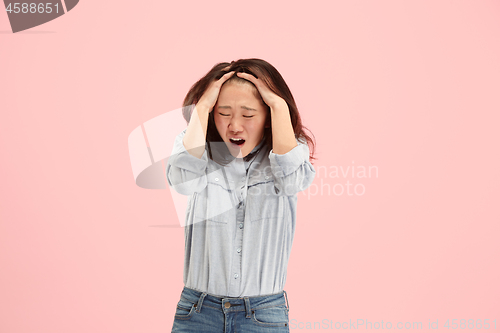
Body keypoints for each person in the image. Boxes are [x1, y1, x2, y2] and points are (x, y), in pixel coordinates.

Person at [166, 58, 316, 333]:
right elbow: (184, 182)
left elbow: (293, 181)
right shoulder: (196, 148)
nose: (235, 125)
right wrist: (202, 107)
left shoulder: (291, 152)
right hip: (198, 310)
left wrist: (280, 106)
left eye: (248, 115)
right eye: (223, 113)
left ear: (269, 118)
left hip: (263, 314)